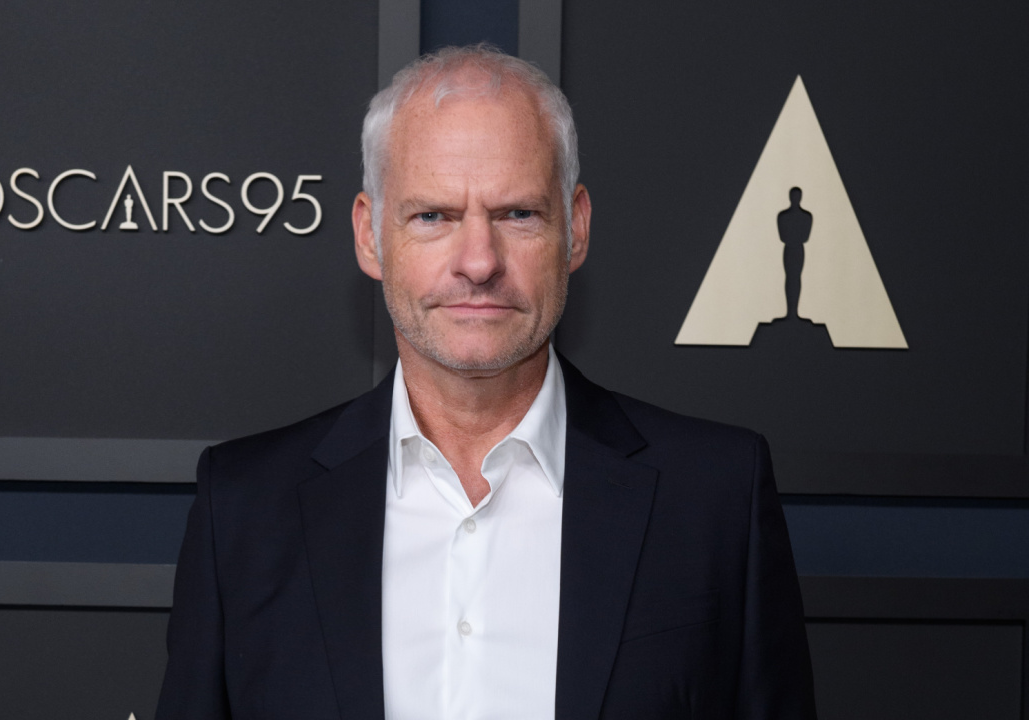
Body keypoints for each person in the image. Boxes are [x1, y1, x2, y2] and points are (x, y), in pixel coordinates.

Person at [154, 44, 816, 720]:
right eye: (434, 216)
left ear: (576, 229)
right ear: (370, 236)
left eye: (517, 215)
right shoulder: (243, 512)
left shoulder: (713, 499)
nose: (478, 262)